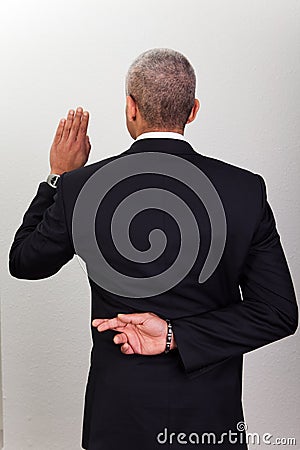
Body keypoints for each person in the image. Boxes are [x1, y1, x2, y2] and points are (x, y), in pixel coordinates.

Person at [9, 49, 298, 450]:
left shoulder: (82, 189)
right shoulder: (244, 190)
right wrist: (176, 335)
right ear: (193, 110)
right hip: (209, 421)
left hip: (118, 419)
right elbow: (278, 313)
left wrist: (58, 176)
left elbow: (25, 262)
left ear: (130, 107)